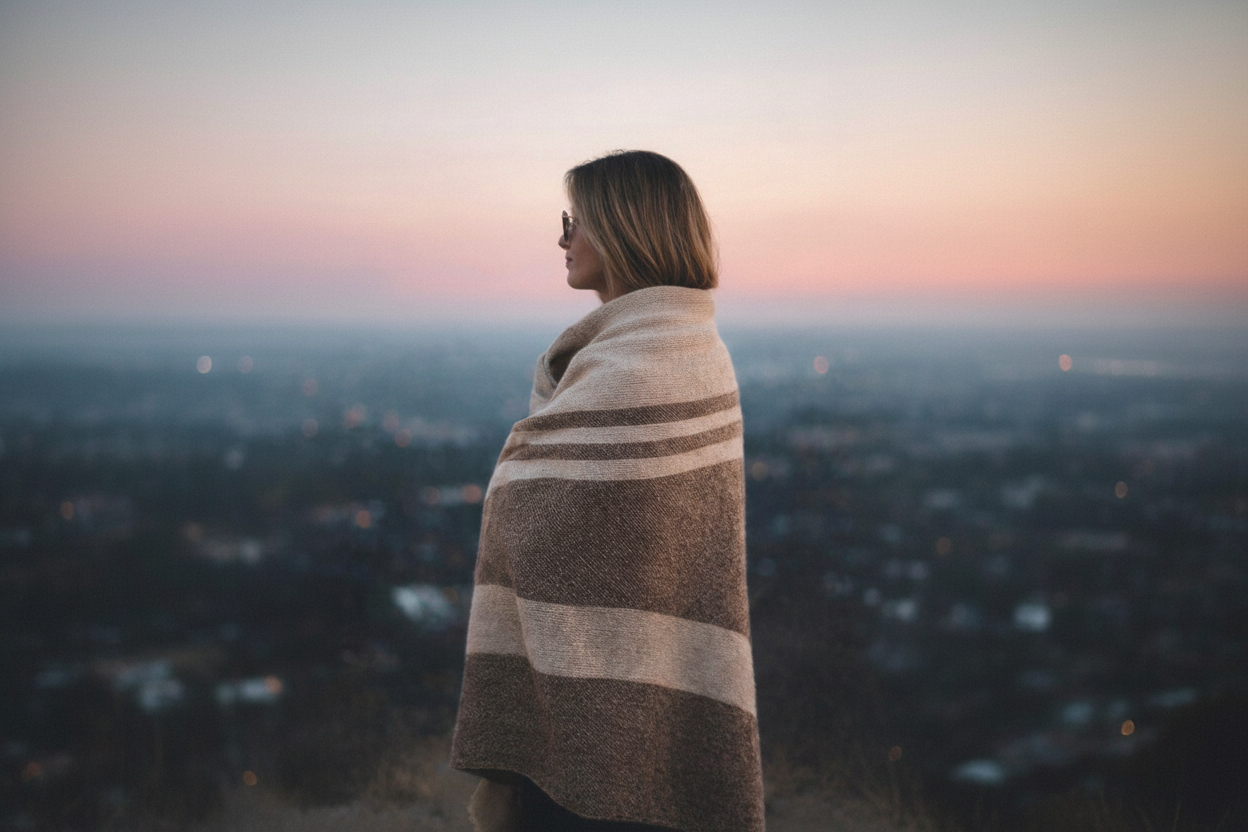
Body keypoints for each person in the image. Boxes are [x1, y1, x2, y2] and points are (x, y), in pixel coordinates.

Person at [450, 150, 764, 832]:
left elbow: (540, 516)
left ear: (621, 228)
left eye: (576, 220)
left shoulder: (648, 366)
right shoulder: (671, 351)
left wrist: (517, 483)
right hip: (586, 693)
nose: (562, 239)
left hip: (611, 718)